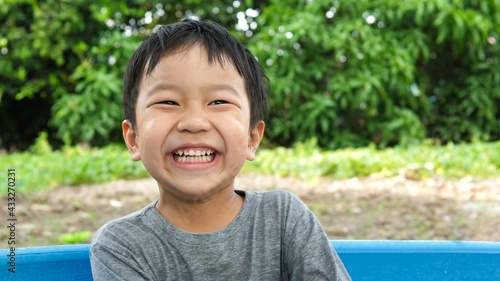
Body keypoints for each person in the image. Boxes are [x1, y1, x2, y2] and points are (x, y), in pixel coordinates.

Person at [90, 19, 351, 280]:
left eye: (218, 101)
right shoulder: (121, 245)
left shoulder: (283, 219)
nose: (194, 122)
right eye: (168, 102)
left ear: (253, 137)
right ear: (133, 139)